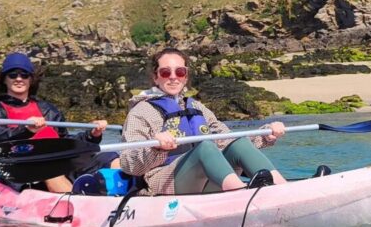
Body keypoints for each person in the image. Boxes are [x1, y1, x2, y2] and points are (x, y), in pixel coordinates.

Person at [120, 47, 287, 195]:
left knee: (239, 143)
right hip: (164, 181)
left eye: (179, 72)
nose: (173, 77)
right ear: (156, 77)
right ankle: (242, 194)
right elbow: (129, 164)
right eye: (165, 72)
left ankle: (282, 190)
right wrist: (155, 147)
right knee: (205, 147)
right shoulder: (140, 112)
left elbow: (225, 139)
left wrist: (265, 135)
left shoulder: (197, 107)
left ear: (185, 76)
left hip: (204, 179)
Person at [0, 52, 120, 193]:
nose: (19, 79)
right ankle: (74, 202)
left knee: (111, 158)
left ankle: (128, 198)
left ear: (31, 79)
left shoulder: (47, 110)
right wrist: (26, 130)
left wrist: (92, 135)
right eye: (13, 75)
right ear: (4, 79)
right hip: (23, 169)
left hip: (60, 161)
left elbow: (66, 143)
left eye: (24, 75)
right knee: (50, 168)